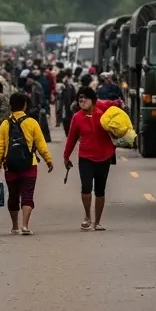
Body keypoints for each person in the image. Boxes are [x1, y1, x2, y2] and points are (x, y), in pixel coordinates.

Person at [0, 91, 54, 235]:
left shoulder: (4, 124)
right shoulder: (32, 122)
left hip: (10, 165)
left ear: (10, 106)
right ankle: (25, 226)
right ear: (25, 105)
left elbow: (0, 149)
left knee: (13, 196)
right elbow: (41, 144)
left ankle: (14, 226)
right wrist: (48, 160)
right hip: (29, 164)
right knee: (27, 195)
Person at [63, 86, 122, 231]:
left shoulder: (103, 115)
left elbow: (115, 132)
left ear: (93, 100)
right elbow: (71, 138)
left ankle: (98, 222)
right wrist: (66, 156)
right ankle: (87, 217)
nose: (82, 101)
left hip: (104, 157)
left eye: (85, 98)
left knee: (100, 190)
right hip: (85, 157)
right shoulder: (77, 117)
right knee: (86, 188)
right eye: (80, 99)